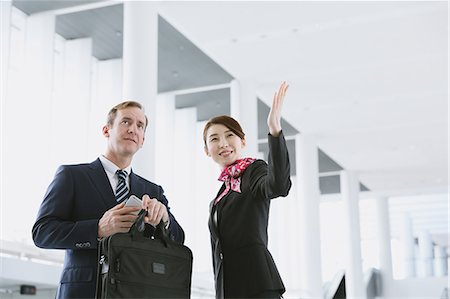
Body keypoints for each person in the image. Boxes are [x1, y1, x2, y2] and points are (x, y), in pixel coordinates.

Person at [32, 101, 185, 299]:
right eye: (126, 122)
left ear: (143, 139)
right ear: (106, 130)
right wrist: (97, 229)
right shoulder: (72, 176)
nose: (133, 129)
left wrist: (164, 219)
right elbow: (42, 233)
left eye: (140, 126)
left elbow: (178, 239)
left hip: (136, 291)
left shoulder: (152, 190)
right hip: (84, 292)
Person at [203, 82, 292, 299]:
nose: (223, 143)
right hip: (230, 291)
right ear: (207, 151)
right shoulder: (219, 196)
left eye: (229, 135)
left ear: (242, 141)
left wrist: (274, 129)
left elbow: (278, 185)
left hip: (258, 286)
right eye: (214, 139)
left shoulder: (253, 171)